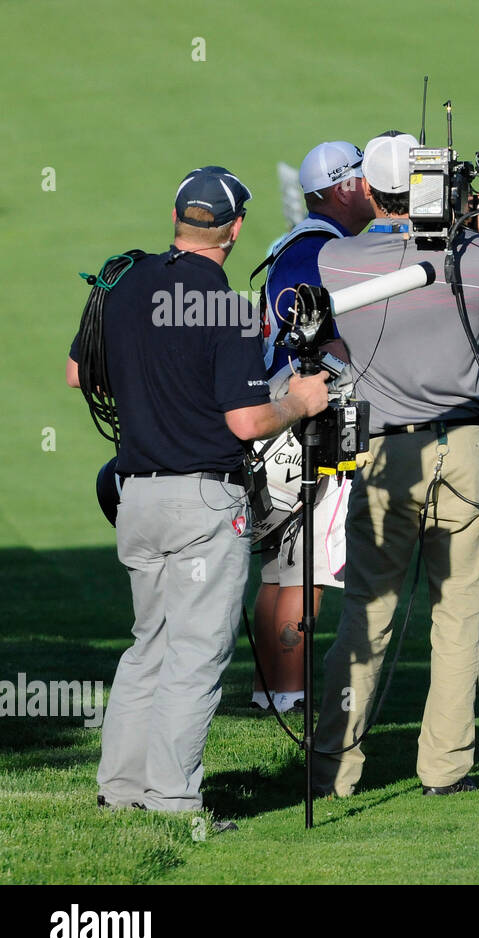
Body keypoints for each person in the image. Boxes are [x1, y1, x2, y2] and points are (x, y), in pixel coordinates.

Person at [66, 166, 329, 814]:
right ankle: (173, 800)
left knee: (149, 642)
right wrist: (297, 403)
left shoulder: (124, 283)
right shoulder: (225, 306)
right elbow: (245, 422)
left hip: (136, 495)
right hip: (203, 504)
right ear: (235, 229)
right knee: (194, 652)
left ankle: (121, 791)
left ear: (179, 217)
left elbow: (79, 372)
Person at [311, 133, 479, 797]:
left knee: (366, 615)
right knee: (457, 616)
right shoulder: (477, 256)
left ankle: (332, 770)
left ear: (368, 190)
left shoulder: (336, 258)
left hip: (382, 453)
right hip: (462, 448)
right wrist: (464, 234)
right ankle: (446, 769)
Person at [251, 141, 373, 715]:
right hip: (307, 420)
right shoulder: (319, 252)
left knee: (281, 567)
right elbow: (317, 336)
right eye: (367, 179)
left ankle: (271, 694)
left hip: (283, 417)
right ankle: (291, 696)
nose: (376, 188)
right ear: (344, 187)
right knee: (308, 570)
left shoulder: (298, 245)